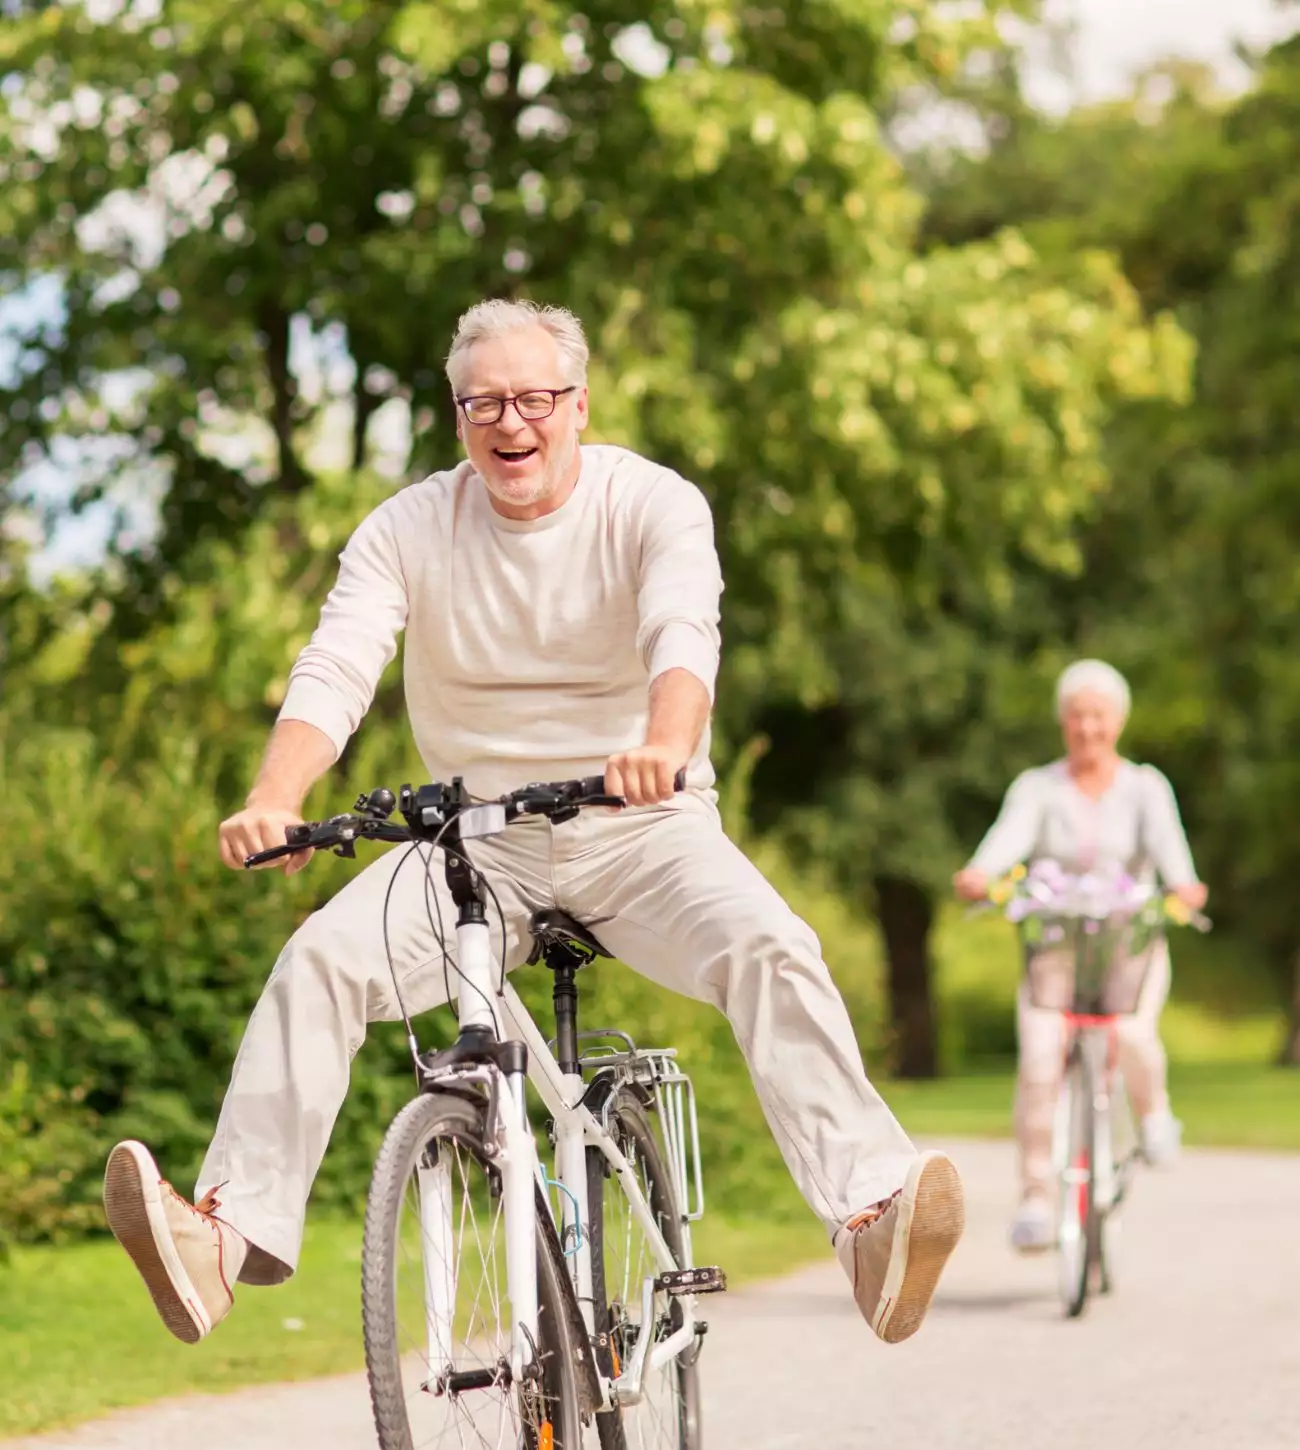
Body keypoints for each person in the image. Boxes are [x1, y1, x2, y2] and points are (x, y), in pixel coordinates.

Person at [102, 299, 964, 1348]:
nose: (511, 423)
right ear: (458, 416)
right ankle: (221, 1241)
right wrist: (274, 797)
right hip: (473, 844)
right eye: (484, 404)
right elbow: (337, 666)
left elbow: (683, 633)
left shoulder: (650, 502)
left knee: (770, 944)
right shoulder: (408, 526)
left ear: (578, 406)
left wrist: (663, 742)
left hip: (640, 825)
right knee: (319, 960)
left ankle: (870, 1219)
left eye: (534, 399)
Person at [952, 659, 1207, 1252]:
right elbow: (1005, 840)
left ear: (1117, 721)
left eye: (1098, 716)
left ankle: (1153, 1115)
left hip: (1129, 945)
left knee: (1133, 1035)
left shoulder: (1146, 787)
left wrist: (1185, 887)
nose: (1087, 728)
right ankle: (1037, 1199)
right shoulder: (1038, 788)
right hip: (1057, 947)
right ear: (1063, 723)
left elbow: (1173, 855)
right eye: (1076, 716)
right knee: (1040, 1060)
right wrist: (980, 873)